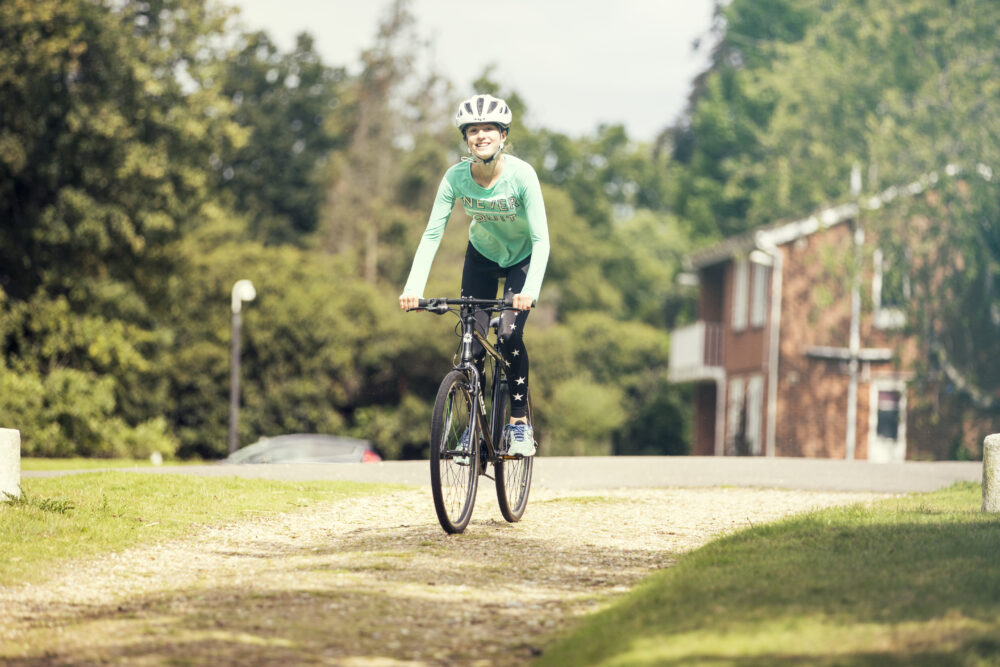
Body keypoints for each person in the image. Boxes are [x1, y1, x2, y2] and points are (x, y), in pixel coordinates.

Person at [399, 93, 550, 457]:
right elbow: (432, 234)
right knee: (472, 341)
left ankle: (518, 424)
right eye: (473, 130)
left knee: (510, 334)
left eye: (489, 129)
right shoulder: (455, 178)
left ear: (502, 136)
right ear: (465, 137)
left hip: (521, 260)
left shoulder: (521, 175)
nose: (481, 136)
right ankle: (474, 431)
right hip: (481, 257)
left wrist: (529, 291)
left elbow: (541, 239)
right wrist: (413, 288)